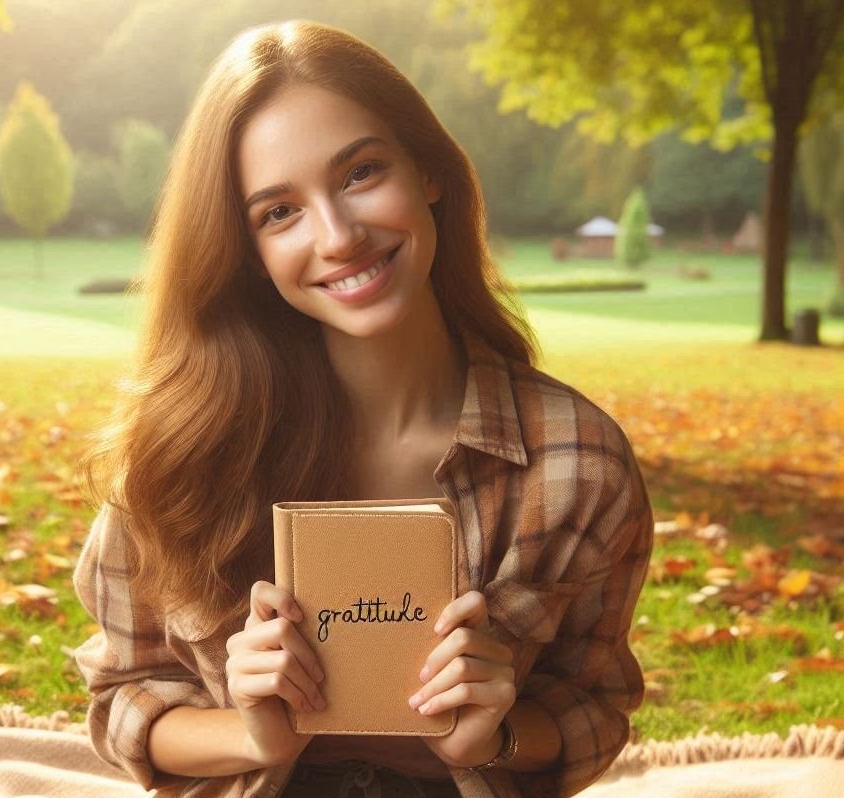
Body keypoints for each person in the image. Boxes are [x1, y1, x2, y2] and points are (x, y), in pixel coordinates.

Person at [71, 18, 654, 798]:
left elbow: (594, 708)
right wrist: (251, 729)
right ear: (248, 253)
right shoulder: (184, 448)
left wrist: (494, 732)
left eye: (361, 173)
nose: (338, 235)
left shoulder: (578, 463)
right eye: (280, 212)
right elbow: (122, 700)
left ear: (430, 172)